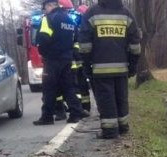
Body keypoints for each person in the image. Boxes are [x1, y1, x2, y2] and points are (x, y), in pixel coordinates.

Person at [79, 0, 141, 139]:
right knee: (121, 97)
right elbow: (135, 45)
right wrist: (133, 65)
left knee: (106, 99)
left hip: (100, 68)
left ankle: (110, 131)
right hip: (122, 67)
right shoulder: (126, 14)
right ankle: (123, 126)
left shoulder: (91, 13)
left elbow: (84, 44)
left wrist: (87, 64)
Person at [34, 0, 89, 126]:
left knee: (49, 88)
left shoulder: (48, 19)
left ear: (50, 5)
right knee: (68, 87)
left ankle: (47, 116)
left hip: (52, 59)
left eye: (46, 7)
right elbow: (76, 38)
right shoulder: (69, 20)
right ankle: (75, 113)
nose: (46, 10)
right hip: (67, 58)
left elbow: (43, 39)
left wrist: (44, 53)